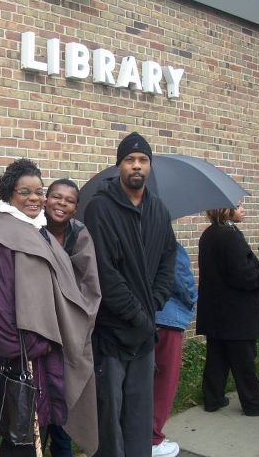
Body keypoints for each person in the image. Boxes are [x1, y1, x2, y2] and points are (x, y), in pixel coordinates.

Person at [0, 159, 100, 457]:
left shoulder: (36, 231)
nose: (34, 199)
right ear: (8, 194)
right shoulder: (0, 237)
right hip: (22, 360)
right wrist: (32, 344)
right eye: (24, 192)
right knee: (21, 439)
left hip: (43, 357)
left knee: (39, 434)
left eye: (38, 192)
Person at [84, 132, 176, 457]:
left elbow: (169, 259)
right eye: (130, 160)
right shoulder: (100, 209)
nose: (136, 166)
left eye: (142, 160)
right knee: (109, 415)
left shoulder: (158, 210)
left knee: (139, 413)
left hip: (144, 333)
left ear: (149, 166)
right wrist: (140, 316)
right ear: (119, 165)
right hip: (111, 333)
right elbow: (105, 275)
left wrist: (156, 301)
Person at [196, 202, 259, 417]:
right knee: (243, 360)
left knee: (217, 356)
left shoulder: (209, 234)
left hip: (216, 310)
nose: (243, 210)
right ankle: (254, 403)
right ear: (225, 209)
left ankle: (213, 398)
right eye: (238, 206)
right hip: (236, 312)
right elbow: (243, 274)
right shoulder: (229, 235)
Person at [44, 178, 102, 457]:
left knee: (65, 405)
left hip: (70, 332)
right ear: (45, 200)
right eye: (56, 197)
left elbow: (90, 287)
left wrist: (75, 324)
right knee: (38, 408)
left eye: (68, 200)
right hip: (38, 331)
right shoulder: (32, 230)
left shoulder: (80, 235)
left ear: (75, 208)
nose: (61, 204)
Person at [151, 242, 198, 457]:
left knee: (140, 383)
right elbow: (181, 279)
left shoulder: (126, 237)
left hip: (139, 320)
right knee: (164, 383)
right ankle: (152, 439)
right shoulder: (166, 242)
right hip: (167, 318)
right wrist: (191, 299)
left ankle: (137, 435)